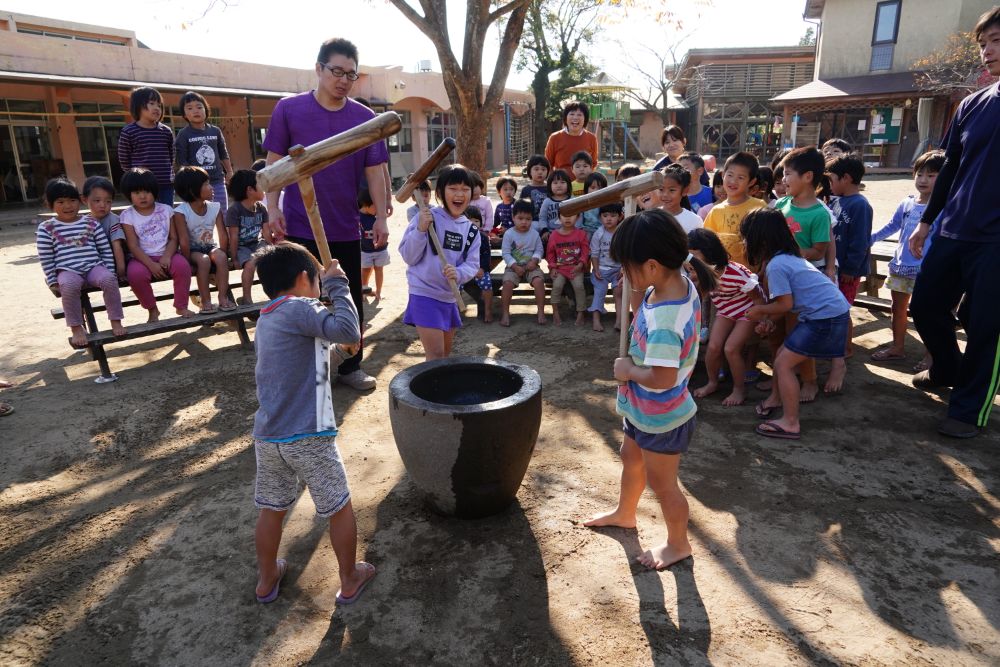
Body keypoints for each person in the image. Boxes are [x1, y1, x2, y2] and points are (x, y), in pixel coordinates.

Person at [583, 208, 717, 571]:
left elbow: (661, 377)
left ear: (653, 266)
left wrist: (628, 370)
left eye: (628, 267)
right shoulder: (676, 282)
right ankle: (625, 513)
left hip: (662, 416)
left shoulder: (665, 323)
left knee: (664, 484)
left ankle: (678, 544)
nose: (625, 274)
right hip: (643, 409)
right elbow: (640, 310)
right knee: (631, 457)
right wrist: (637, 290)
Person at [250, 242, 374, 606]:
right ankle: (349, 578)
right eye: (318, 279)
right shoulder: (301, 307)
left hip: (269, 436)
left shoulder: (268, 318)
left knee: (272, 508)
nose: (321, 286)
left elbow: (307, 367)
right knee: (339, 506)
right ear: (305, 278)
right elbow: (348, 329)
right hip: (309, 435)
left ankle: (267, 577)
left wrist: (340, 354)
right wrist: (338, 283)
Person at [262, 37, 389, 391]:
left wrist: (380, 217)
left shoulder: (364, 119)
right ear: (318, 69)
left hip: (345, 225)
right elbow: (274, 165)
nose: (344, 80)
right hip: (299, 225)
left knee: (348, 297)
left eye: (351, 74)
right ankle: (305, 373)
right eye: (336, 71)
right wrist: (272, 209)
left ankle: (350, 366)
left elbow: (375, 171)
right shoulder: (289, 110)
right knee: (300, 301)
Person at [908, 8, 1000, 438]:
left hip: (996, 241)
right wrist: (927, 221)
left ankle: (968, 410)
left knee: (986, 326)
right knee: (925, 305)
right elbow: (948, 169)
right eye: (983, 43)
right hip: (954, 229)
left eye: (996, 41)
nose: (987, 51)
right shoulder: (972, 105)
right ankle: (946, 367)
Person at [743, 209, 850, 440]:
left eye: (746, 237)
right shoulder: (788, 257)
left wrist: (761, 311)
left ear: (760, 240)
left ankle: (790, 422)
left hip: (824, 316)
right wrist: (769, 321)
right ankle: (778, 399)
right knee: (783, 354)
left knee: (783, 364)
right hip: (825, 312)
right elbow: (787, 306)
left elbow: (785, 304)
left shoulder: (777, 265)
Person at [398, 164, 480, 360]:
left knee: (443, 355)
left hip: (449, 297)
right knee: (435, 354)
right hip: (424, 293)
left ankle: (434, 381)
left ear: (472, 193)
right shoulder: (426, 217)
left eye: (465, 189)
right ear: (441, 192)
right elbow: (408, 256)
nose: (459, 194)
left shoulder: (470, 230)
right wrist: (420, 230)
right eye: (453, 188)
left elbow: (472, 264)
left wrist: (459, 273)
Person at [869, 150, 944, 365]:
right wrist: (871, 238)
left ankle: (931, 355)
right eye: (920, 174)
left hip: (928, 270)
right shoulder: (907, 203)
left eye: (931, 175)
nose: (923, 180)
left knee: (928, 313)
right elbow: (892, 225)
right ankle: (897, 347)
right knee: (898, 308)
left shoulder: (945, 207)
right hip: (901, 266)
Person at [36, 177, 126, 347]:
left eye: (72, 200)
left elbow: (104, 249)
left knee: (109, 279)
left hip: (94, 267)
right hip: (67, 270)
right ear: (50, 204)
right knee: (68, 286)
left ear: (80, 201)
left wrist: (109, 270)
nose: (67, 206)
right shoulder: (46, 228)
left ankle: (116, 320)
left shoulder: (91, 223)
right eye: (60, 202)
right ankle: (76, 327)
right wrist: (52, 279)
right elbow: (46, 257)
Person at [771, 147, 830, 402]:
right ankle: (779, 376)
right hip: (778, 280)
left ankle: (809, 380)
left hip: (801, 285)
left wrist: (791, 252)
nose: (783, 179)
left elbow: (818, 251)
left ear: (807, 177)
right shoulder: (781, 204)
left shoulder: (819, 213)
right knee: (776, 331)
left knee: (798, 335)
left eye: (788, 174)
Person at [688, 228, 761, 406]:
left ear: (709, 252)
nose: (690, 260)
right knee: (713, 347)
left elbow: (758, 298)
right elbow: (701, 294)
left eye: (694, 255)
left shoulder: (736, 272)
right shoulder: (697, 271)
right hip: (726, 311)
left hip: (747, 312)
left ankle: (739, 389)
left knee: (731, 349)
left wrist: (764, 318)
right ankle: (712, 382)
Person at [119, 168, 194, 322]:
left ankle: (181, 305)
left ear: (154, 191)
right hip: (141, 258)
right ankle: (152, 309)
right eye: (136, 192)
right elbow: (133, 246)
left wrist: (167, 256)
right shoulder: (127, 216)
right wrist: (150, 265)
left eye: (147, 191)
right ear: (128, 194)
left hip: (168, 253)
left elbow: (174, 238)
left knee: (183, 267)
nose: (142, 196)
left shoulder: (166, 210)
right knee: (135, 275)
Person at [826, 154, 873, 392]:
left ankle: (845, 348)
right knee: (836, 307)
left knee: (842, 310)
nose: (830, 184)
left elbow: (860, 241)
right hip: (835, 268)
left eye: (832, 179)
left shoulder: (860, 205)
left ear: (845, 178)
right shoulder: (837, 201)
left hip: (848, 271)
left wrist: (851, 269)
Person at [174, 166, 236, 313]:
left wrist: (223, 252)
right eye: (206, 184)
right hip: (192, 250)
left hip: (209, 246)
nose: (212, 187)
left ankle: (223, 298)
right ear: (192, 190)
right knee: (204, 261)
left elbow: (222, 234)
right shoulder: (181, 212)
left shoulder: (215, 207)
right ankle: (206, 301)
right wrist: (188, 262)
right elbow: (184, 241)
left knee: (221, 257)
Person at [703, 151, 766, 265]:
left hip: (752, 273)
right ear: (723, 175)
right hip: (724, 272)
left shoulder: (759, 207)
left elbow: (768, 244)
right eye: (730, 175)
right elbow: (707, 243)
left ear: (751, 182)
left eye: (740, 177)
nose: (733, 181)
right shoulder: (716, 211)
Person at [175, 91, 233, 209]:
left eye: (199, 107)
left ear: (206, 110)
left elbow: (223, 153)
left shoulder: (215, 131)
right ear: (184, 115)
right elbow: (182, 160)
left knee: (222, 212)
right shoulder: (183, 134)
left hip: (217, 181)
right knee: (200, 214)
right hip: (196, 185)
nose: (195, 111)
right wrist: (189, 181)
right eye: (190, 108)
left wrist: (229, 171)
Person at [118, 87, 175, 206]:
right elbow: (124, 160)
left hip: (166, 185)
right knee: (144, 214)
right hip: (142, 188)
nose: (157, 108)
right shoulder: (129, 131)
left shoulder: (166, 131)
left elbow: (171, 155)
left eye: (159, 105)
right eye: (152, 103)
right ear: (138, 106)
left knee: (167, 214)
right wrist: (136, 177)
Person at [226, 169, 273, 306]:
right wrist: (234, 258)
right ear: (250, 190)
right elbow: (233, 237)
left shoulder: (261, 208)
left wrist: (273, 248)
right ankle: (247, 299)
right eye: (260, 185)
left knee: (269, 262)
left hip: (257, 243)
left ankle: (276, 296)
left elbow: (266, 233)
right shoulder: (234, 210)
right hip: (241, 247)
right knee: (250, 264)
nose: (263, 189)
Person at [500, 200, 547, 327]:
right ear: (513, 217)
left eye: (528, 219)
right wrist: (515, 266)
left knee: (539, 281)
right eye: (520, 218)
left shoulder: (534, 234)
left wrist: (534, 260)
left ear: (532, 219)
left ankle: (541, 311)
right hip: (513, 267)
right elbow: (506, 253)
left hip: (531, 266)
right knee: (507, 284)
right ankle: (505, 313)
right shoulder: (509, 234)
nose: (524, 222)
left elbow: (539, 250)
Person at [546, 209, 590, 326]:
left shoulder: (581, 234)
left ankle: (581, 312)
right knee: (557, 286)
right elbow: (550, 254)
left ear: (578, 217)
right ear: (559, 217)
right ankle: (555, 312)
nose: (568, 218)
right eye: (564, 215)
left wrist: (581, 264)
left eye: (571, 215)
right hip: (560, 269)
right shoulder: (554, 235)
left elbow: (585, 252)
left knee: (579, 286)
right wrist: (552, 267)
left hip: (575, 268)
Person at [588, 202, 624, 332]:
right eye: (605, 216)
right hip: (602, 269)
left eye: (613, 216)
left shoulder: (622, 233)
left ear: (620, 217)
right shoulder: (598, 234)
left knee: (619, 292)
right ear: (600, 217)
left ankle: (619, 321)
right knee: (599, 292)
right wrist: (596, 269)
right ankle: (596, 320)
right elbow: (594, 253)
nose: (609, 219)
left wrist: (623, 269)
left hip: (618, 270)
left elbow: (626, 253)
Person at [82, 176, 126, 278]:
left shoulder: (112, 220)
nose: (103, 205)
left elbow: (117, 246)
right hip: (92, 265)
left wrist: (121, 270)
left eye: (108, 201)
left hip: (113, 263)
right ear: (84, 200)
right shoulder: (84, 221)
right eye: (97, 201)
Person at [353, 188, 389, 302]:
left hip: (380, 249)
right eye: (375, 206)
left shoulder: (379, 216)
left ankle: (378, 292)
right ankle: (364, 290)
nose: (379, 209)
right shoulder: (358, 216)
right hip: (365, 250)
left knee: (379, 270)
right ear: (366, 205)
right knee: (365, 271)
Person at [544, 101, 599, 173]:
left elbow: (593, 164)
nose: (575, 117)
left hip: (584, 180)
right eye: (572, 114)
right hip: (561, 180)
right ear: (565, 117)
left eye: (579, 115)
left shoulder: (592, 138)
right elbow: (548, 164)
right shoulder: (554, 138)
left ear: (585, 118)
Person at [462, 206, 495, 323]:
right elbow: (458, 257)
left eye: (476, 221)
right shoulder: (460, 237)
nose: (473, 224)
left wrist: (483, 269)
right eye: (469, 221)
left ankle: (488, 310)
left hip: (480, 270)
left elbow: (486, 256)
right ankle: (454, 311)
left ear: (481, 223)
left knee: (487, 284)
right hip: (463, 270)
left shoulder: (483, 238)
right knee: (453, 285)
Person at [657, 164, 703, 233]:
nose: (665, 194)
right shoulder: (651, 217)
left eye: (672, 190)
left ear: (685, 191)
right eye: (661, 189)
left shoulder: (694, 220)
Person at [536, 169, 573, 246]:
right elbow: (542, 218)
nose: (559, 185)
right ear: (550, 185)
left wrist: (575, 231)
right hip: (551, 233)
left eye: (562, 182)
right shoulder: (547, 201)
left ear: (568, 184)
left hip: (570, 233)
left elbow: (579, 217)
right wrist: (544, 230)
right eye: (555, 183)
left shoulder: (572, 200)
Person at [520, 154, 550, 224]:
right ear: (529, 171)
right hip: (531, 223)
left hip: (549, 222)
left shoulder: (551, 188)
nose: (540, 172)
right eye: (536, 169)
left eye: (543, 169)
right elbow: (520, 209)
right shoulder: (526, 190)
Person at [580, 172, 608, 239]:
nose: (596, 191)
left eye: (600, 188)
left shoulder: (606, 203)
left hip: (602, 230)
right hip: (586, 230)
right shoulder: (583, 202)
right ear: (586, 189)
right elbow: (580, 219)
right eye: (593, 187)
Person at [492, 177, 517, 246]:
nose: (508, 192)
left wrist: (507, 230)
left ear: (515, 191)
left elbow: (520, 223)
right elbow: (495, 223)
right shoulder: (499, 207)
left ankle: (501, 241)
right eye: (505, 189)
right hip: (502, 232)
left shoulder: (517, 205)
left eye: (511, 189)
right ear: (499, 192)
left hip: (515, 232)